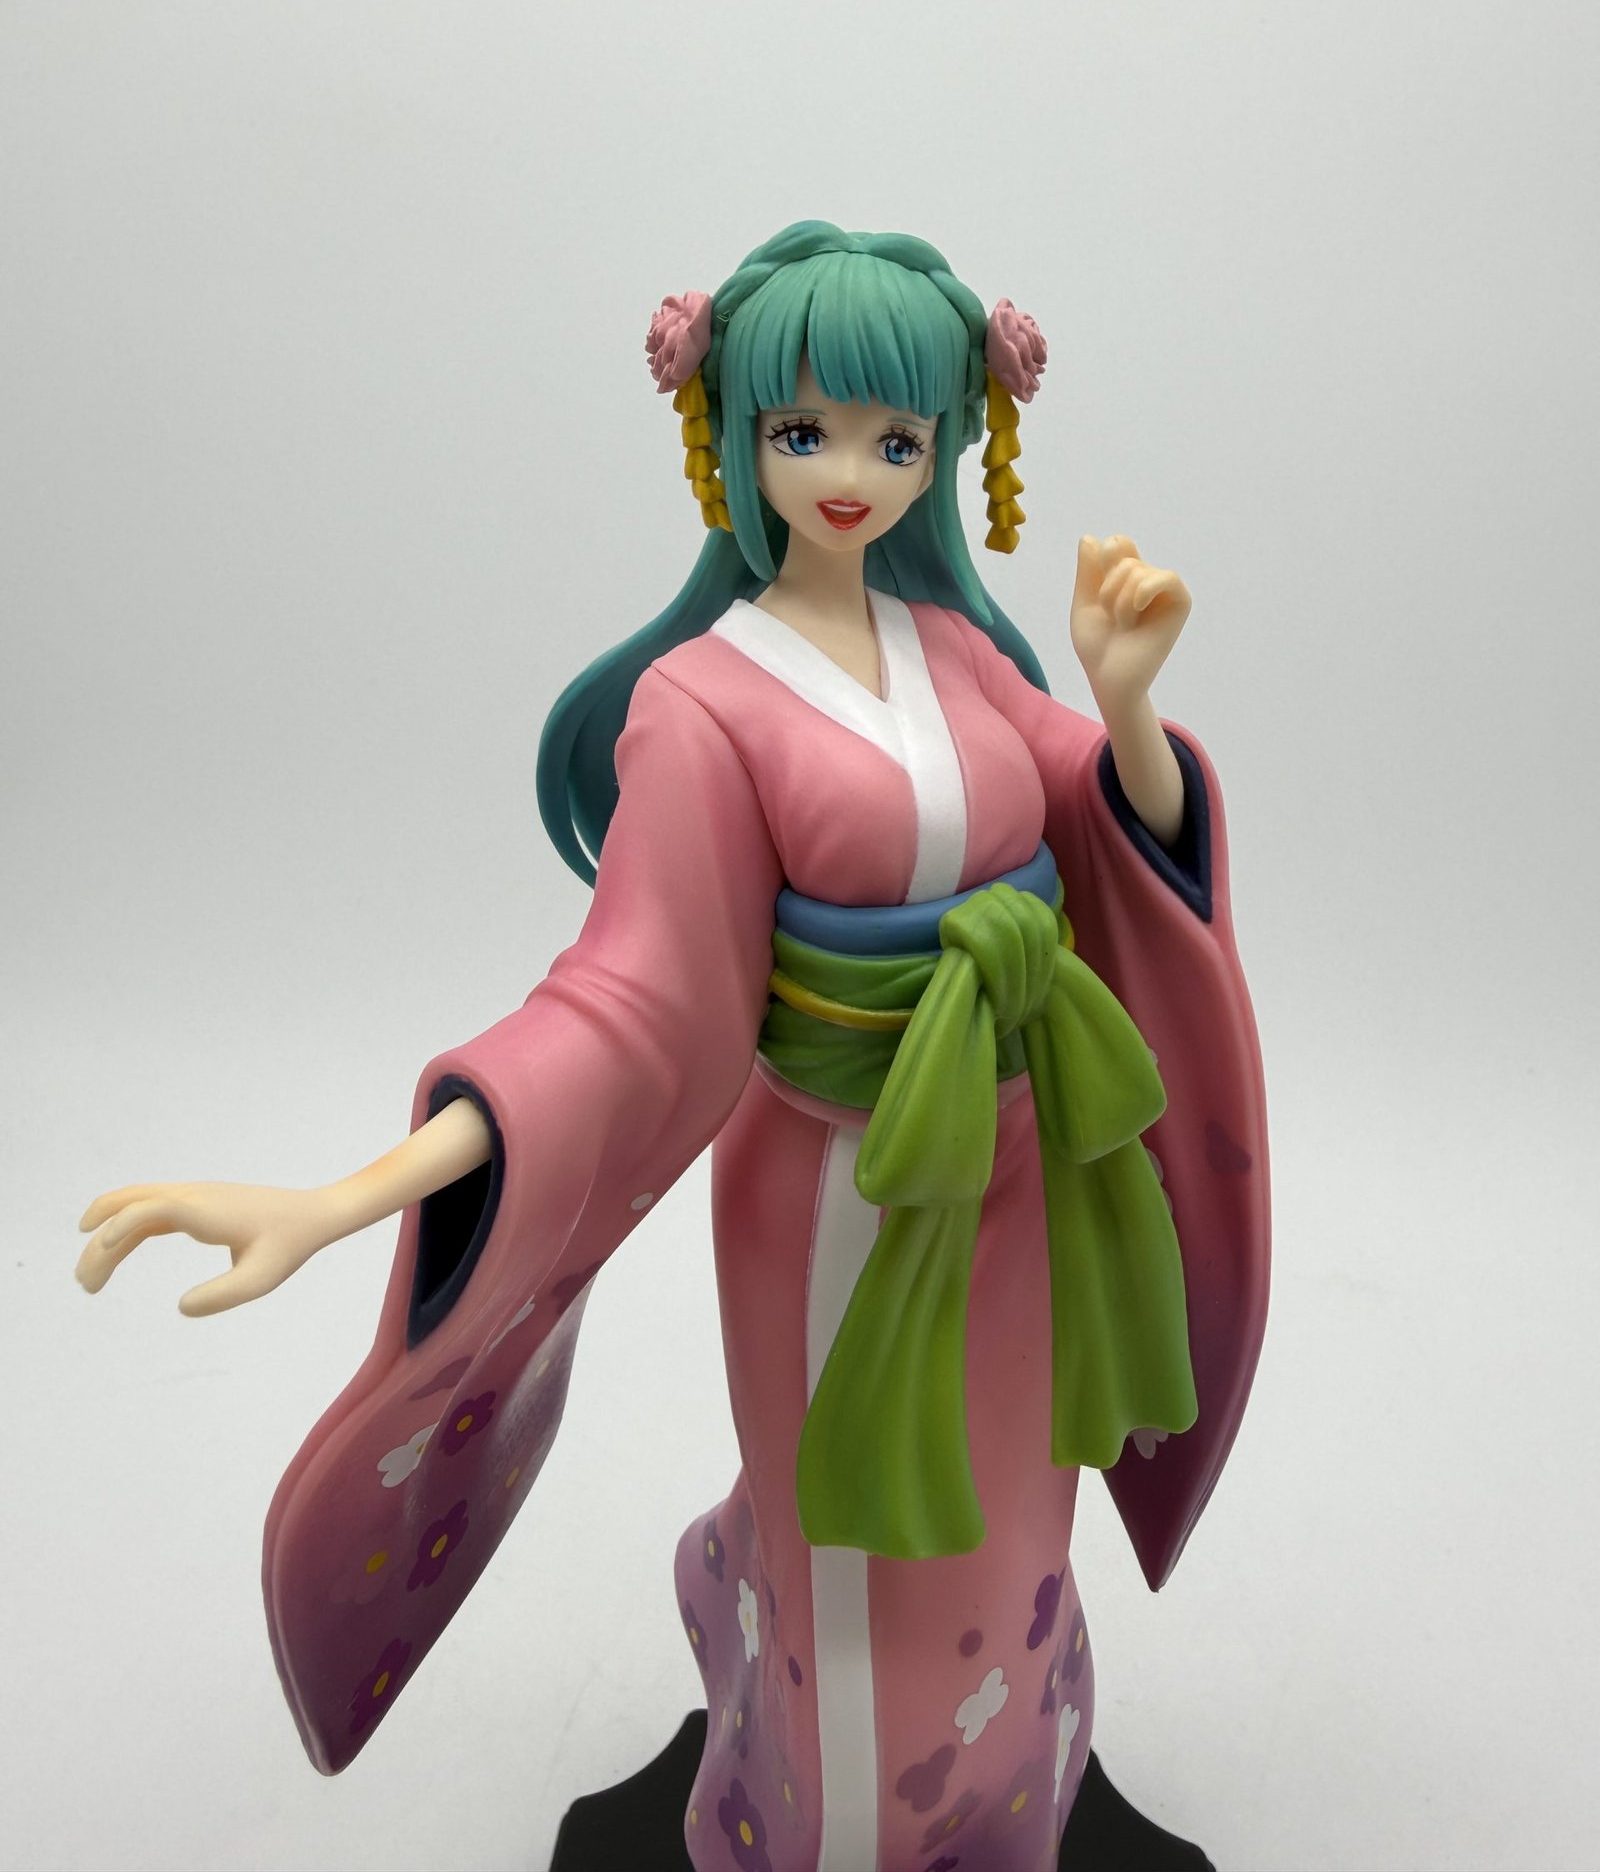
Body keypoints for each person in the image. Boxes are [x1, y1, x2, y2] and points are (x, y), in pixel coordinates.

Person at [77, 221, 1268, 1872]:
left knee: (1008, 1522)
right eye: (804, 431)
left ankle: (1007, 1791)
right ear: (732, 435)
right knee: (861, 1553)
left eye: (896, 439)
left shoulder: (961, 654)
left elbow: (1103, 824)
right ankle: (809, 1809)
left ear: (948, 449)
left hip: (1019, 1163)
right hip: (843, 1189)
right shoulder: (701, 702)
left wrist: (1124, 703)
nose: (848, 473)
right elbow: (627, 1006)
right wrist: (354, 1194)